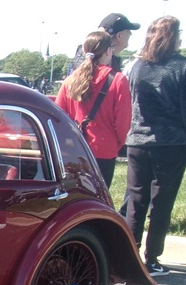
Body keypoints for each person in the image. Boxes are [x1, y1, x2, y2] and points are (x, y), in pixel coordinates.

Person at [124, 16, 186, 277]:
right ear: (175, 36)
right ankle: (152, 259)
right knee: (161, 204)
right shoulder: (184, 69)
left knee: (135, 201)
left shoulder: (137, 67)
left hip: (137, 141)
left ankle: (129, 257)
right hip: (171, 143)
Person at [55, 30, 131, 188]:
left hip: (74, 150)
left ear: (84, 51)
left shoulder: (70, 80)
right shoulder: (118, 80)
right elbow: (123, 122)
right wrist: (116, 144)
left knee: (75, 196)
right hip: (104, 150)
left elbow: (57, 116)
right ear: (108, 51)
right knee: (99, 197)